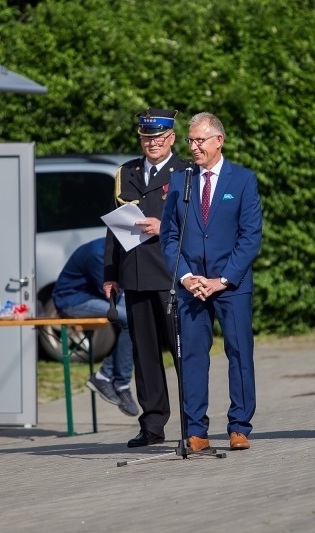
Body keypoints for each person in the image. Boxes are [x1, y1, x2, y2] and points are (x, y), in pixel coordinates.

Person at [161, 112, 263, 452]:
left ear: (219, 140)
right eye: (190, 141)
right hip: (191, 286)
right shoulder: (181, 181)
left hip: (230, 285)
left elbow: (250, 238)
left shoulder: (243, 180)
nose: (194, 147)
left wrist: (222, 279)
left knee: (239, 353)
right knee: (192, 356)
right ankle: (196, 431)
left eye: (200, 140)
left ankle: (239, 427)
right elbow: (169, 236)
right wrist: (188, 277)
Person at [103, 108, 189, 447]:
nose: (152, 143)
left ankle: (193, 422)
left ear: (171, 139)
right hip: (136, 274)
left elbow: (196, 223)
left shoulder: (185, 171)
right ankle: (152, 424)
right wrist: (111, 273)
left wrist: (163, 225)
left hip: (172, 275)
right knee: (146, 355)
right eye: (146, 138)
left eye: (158, 138)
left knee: (184, 352)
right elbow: (113, 226)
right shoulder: (127, 172)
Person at [53, 238, 137, 417]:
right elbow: (113, 294)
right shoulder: (98, 254)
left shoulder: (115, 249)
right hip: (72, 301)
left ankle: (106, 377)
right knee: (132, 320)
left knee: (137, 319)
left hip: (92, 297)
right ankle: (119, 382)